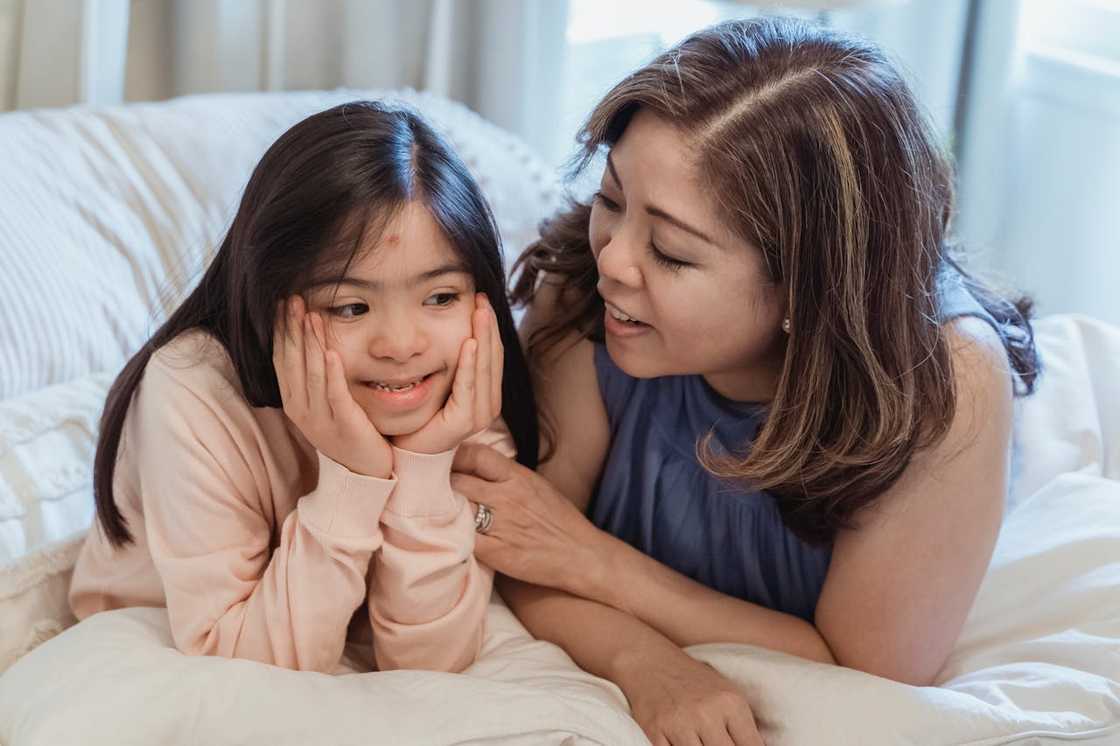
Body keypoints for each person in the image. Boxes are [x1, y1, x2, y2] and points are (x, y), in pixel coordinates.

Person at [449, 16, 1039, 745]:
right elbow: (524, 545)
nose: (613, 260)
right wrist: (645, 661)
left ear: (805, 289)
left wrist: (594, 560)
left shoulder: (946, 383)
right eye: (611, 199)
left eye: (669, 251)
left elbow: (867, 667)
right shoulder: (585, 285)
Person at [69, 101, 538, 675]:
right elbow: (244, 669)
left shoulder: (456, 389)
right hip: (164, 652)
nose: (400, 344)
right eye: (350, 306)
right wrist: (353, 481)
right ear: (272, 302)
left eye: (441, 297)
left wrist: (426, 468)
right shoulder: (193, 390)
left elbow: (431, 667)